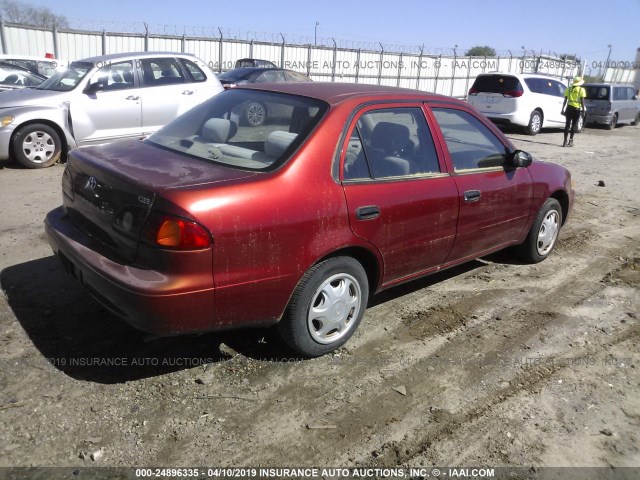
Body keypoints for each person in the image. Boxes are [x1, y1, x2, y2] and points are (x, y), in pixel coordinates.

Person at [561, 75, 586, 147]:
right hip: (576, 109)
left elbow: (565, 100)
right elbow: (582, 101)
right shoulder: (581, 90)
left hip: (568, 108)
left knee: (567, 125)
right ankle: (571, 141)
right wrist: (583, 110)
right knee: (574, 125)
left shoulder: (568, 89)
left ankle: (565, 141)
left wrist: (562, 109)